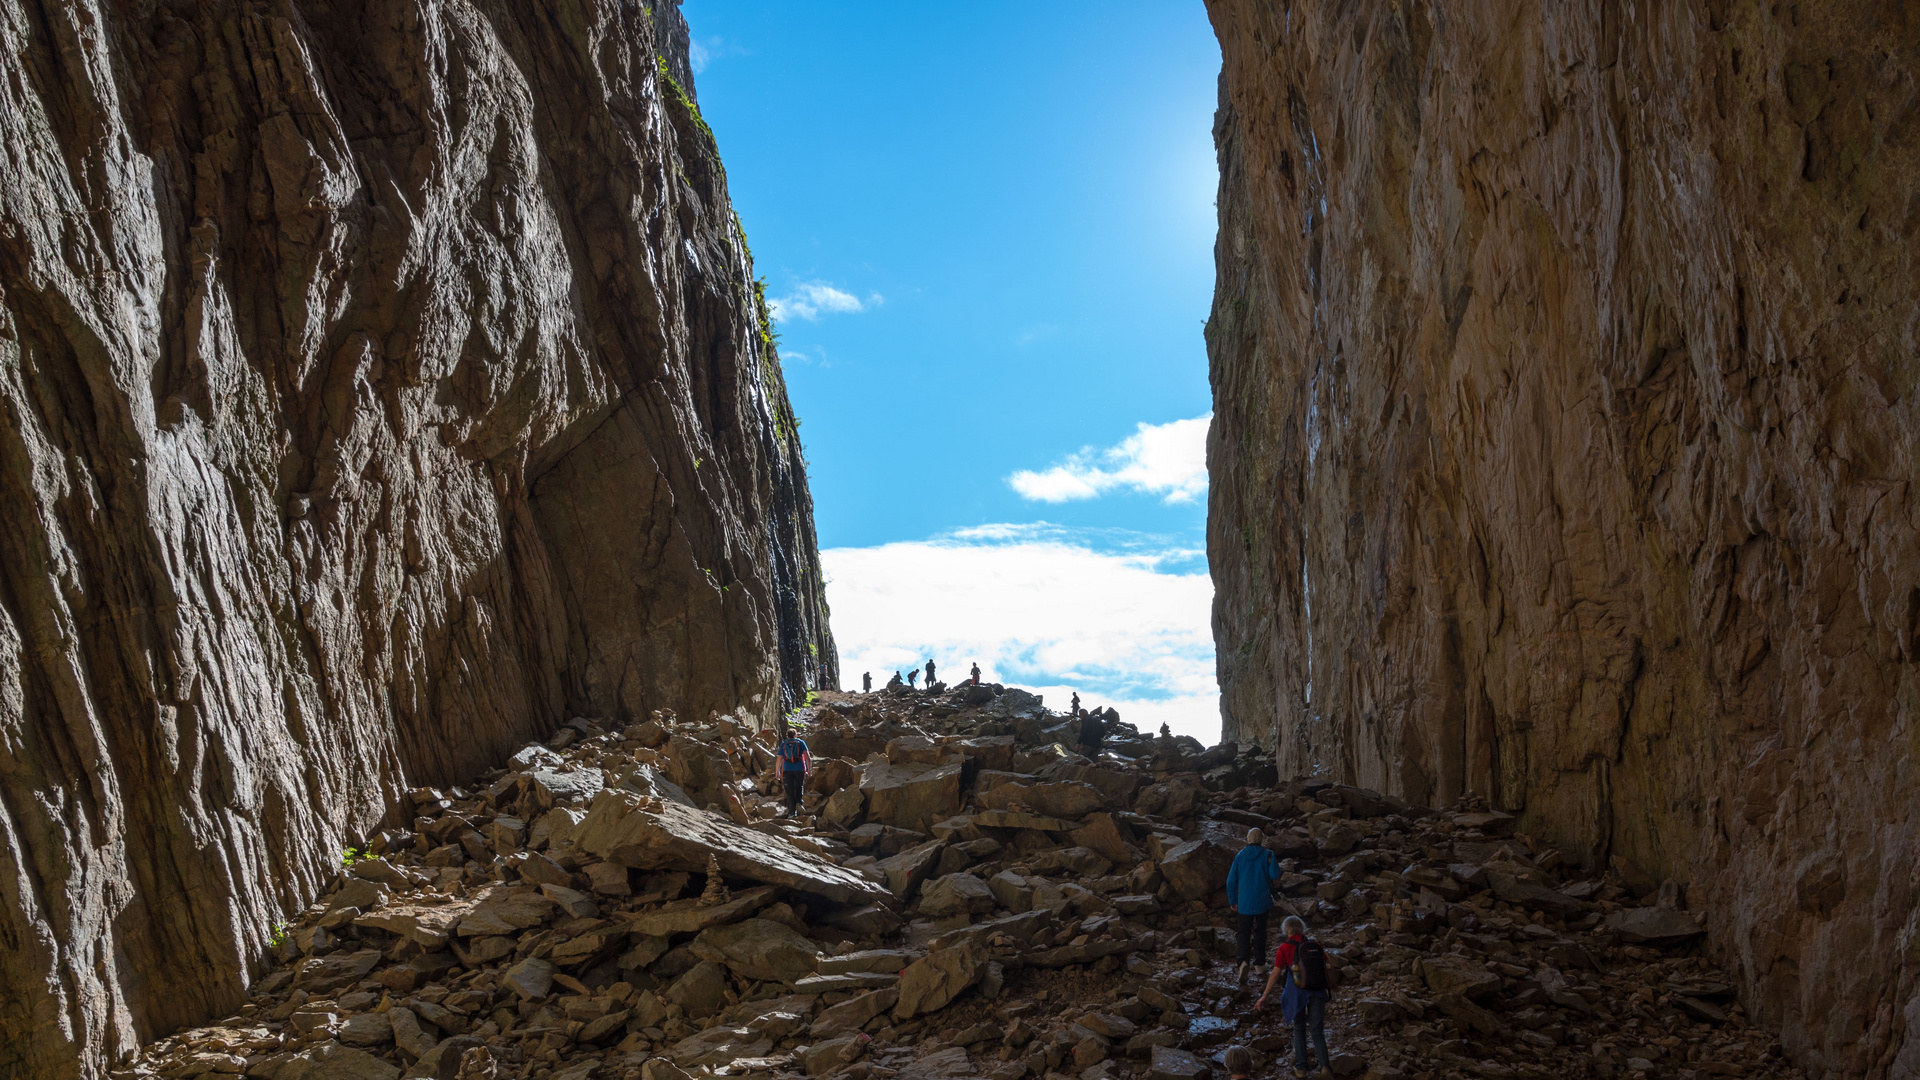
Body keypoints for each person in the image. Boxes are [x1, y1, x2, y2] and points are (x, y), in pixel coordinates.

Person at [1255, 915, 1332, 1077]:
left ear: (1286, 930)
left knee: (1299, 1028)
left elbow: (1276, 973)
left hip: (1295, 992)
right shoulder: (1315, 945)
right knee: (1317, 1031)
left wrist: (1265, 995)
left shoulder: (1284, 947)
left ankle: (1301, 1068)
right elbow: (1328, 965)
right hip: (1317, 991)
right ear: (1302, 929)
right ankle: (1325, 1067)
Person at [1226, 828, 1284, 983]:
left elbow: (1231, 881)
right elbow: (1275, 875)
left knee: (1243, 933)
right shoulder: (1268, 854)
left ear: (1247, 839)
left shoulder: (1240, 856)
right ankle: (1259, 964)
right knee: (1260, 932)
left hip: (1244, 903)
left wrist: (1233, 900)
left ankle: (1243, 963)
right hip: (1262, 901)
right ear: (1262, 839)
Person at [773, 721, 811, 818]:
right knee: (799, 787)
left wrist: (777, 772)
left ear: (787, 735)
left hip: (787, 770)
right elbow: (807, 757)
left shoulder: (784, 744)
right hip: (800, 769)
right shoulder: (800, 742)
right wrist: (809, 770)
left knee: (789, 790)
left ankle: (791, 813)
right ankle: (799, 802)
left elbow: (779, 759)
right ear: (796, 735)